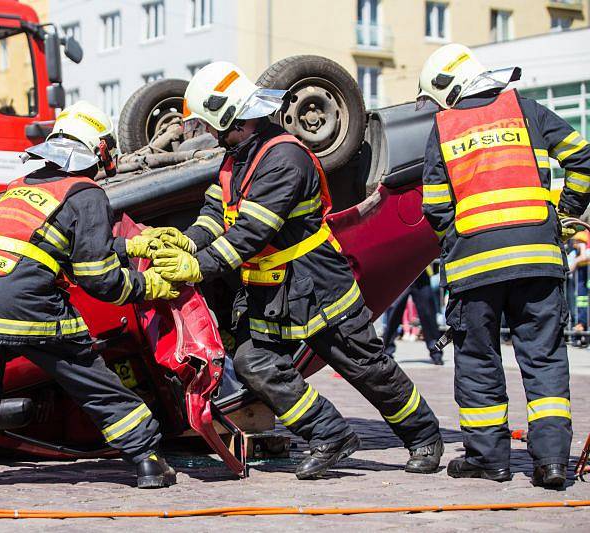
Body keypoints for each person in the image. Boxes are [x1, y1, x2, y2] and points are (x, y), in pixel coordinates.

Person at [147, 62, 443, 480]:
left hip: (317, 282)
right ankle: (329, 433)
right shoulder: (235, 159)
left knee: (365, 365)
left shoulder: (283, 157)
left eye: (213, 126)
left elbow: (250, 233)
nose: (209, 134)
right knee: (254, 361)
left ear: (231, 118)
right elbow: (218, 214)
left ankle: (425, 436)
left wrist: (195, 266)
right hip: (274, 291)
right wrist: (187, 240)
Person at [0, 101, 178, 490]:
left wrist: (133, 246)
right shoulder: (86, 193)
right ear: (98, 150)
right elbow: (97, 278)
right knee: (90, 378)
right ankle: (147, 460)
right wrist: (149, 286)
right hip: (23, 300)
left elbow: (55, 246)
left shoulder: (21, 189)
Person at [418, 44, 590, 488]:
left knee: (478, 361)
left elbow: (435, 206)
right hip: (538, 259)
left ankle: (490, 460)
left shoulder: (445, 127)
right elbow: (583, 159)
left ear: (445, 88)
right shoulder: (527, 110)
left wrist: (458, 242)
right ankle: (552, 463)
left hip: (476, 268)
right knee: (545, 358)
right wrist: (563, 214)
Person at [382, 267, 444, 365]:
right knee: (393, 314)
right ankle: (386, 352)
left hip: (421, 272)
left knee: (428, 314)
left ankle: (436, 352)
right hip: (399, 273)